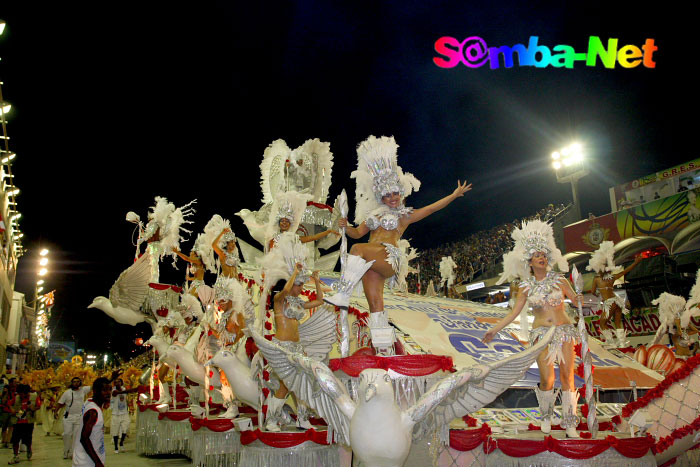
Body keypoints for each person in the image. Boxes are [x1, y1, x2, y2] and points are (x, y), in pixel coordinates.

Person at [325, 135, 471, 354]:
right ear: (381, 196)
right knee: (375, 304)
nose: (392, 197)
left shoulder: (404, 215)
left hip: (387, 257)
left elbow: (431, 209)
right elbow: (357, 233)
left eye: (395, 193)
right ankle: (382, 348)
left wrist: (453, 195)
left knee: (357, 250)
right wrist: (345, 226)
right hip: (370, 262)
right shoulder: (372, 215)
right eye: (387, 195)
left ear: (401, 194)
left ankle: (343, 293)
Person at [482, 220, 583, 438]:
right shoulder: (525, 287)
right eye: (537, 255)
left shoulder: (560, 280)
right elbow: (514, 313)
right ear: (530, 261)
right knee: (547, 379)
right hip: (541, 335)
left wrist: (580, 299)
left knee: (568, 378)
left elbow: (576, 301)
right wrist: (494, 330)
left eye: (544, 254)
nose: (542, 258)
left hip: (564, 331)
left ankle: (570, 423)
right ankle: (546, 416)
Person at [587, 241, 642, 347]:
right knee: (617, 322)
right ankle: (622, 343)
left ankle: (611, 342)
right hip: (617, 302)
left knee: (602, 323)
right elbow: (625, 271)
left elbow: (593, 292)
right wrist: (636, 262)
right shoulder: (612, 278)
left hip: (609, 303)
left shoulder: (597, 279)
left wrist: (600, 296)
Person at [72, 378, 112, 467]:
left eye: (110, 389)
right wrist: (97, 462)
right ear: (95, 391)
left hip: (88, 458)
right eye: (104, 390)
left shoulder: (89, 401)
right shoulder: (93, 412)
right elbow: (84, 438)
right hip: (87, 461)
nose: (108, 393)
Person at [56, 377, 92, 459]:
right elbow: (60, 403)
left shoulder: (83, 390)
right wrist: (55, 412)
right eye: (74, 382)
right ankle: (66, 451)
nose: (76, 383)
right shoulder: (67, 393)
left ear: (80, 383)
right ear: (71, 383)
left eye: (78, 382)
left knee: (76, 435)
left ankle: (73, 452)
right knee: (67, 434)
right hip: (68, 416)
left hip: (79, 416)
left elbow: (95, 386)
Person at [7, 384, 40, 464]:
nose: (21, 395)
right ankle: (15, 455)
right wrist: (12, 410)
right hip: (17, 422)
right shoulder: (16, 398)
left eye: (23, 394)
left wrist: (33, 408)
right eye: (20, 393)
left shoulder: (34, 397)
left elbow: (38, 406)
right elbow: (9, 404)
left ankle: (29, 448)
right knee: (15, 439)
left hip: (28, 422)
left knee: (27, 439)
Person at [110, 379, 138, 454]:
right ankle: (116, 447)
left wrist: (132, 390)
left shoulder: (124, 389)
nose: (117, 383)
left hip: (124, 413)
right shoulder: (114, 390)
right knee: (115, 432)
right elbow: (118, 393)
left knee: (125, 429)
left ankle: (121, 442)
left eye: (119, 382)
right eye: (116, 382)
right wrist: (131, 390)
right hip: (115, 414)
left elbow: (126, 393)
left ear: (121, 383)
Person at [0, 378, 17, 448]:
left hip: (12, 412)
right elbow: (3, 401)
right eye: (14, 382)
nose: (16, 383)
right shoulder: (6, 390)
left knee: (11, 427)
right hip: (5, 411)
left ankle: (8, 441)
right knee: (4, 427)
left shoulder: (15, 391)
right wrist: (6, 393)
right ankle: (3, 440)